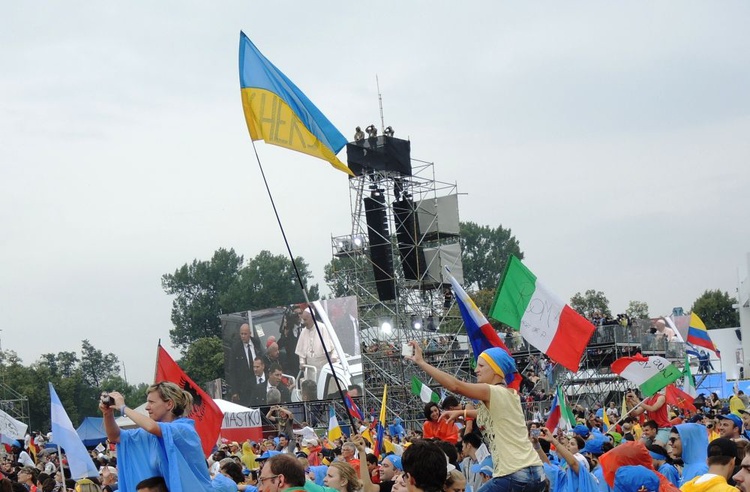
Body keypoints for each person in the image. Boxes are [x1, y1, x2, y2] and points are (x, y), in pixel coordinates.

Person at [406, 343, 544, 492]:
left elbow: (455, 386)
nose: (476, 370)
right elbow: (489, 415)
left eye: (481, 366)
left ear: (495, 368)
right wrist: (462, 413)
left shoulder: (491, 391)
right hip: (537, 473)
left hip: (514, 474)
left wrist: (421, 362)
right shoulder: (509, 394)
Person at [100, 381, 236, 492]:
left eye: (151, 402)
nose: (147, 407)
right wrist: (108, 414)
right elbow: (116, 437)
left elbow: (152, 427)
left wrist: (123, 408)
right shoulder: (151, 434)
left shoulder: (184, 430)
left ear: (169, 404)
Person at [295, 306, 337, 383]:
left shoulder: (323, 328)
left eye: (305, 320)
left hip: (324, 368)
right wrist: (302, 363)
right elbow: (301, 354)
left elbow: (334, 348)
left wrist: (333, 358)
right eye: (303, 319)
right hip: (311, 370)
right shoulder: (303, 332)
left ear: (312, 318)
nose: (303, 322)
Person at [227, 322, 264, 406]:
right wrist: (234, 391)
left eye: (245, 334)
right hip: (243, 387)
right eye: (241, 334)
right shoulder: (235, 348)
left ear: (250, 334)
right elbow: (232, 370)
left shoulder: (256, 343)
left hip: (257, 382)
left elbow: (262, 359)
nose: (243, 336)